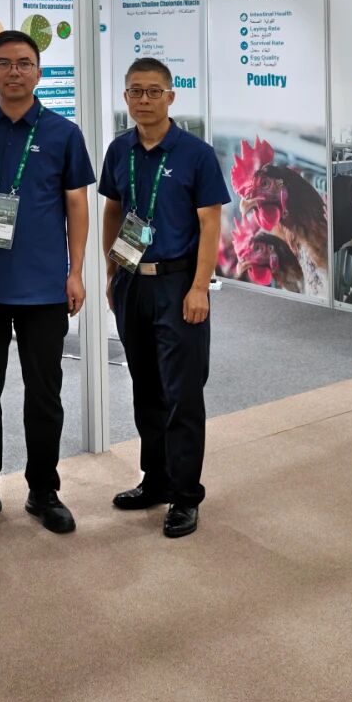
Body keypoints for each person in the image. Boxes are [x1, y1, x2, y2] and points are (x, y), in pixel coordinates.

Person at [0, 30, 96, 535]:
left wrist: (75, 271)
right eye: (5, 63)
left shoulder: (63, 133)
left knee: (44, 395)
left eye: (24, 63)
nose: (14, 71)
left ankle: (43, 490)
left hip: (43, 288)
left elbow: (76, 204)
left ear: (39, 71)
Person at [98, 57, 229, 539]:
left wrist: (199, 287)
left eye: (154, 91)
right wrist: (112, 270)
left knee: (182, 392)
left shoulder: (196, 153)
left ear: (171, 97)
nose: (145, 100)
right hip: (133, 281)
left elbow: (210, 224)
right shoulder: (120, 149)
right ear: (126, 97)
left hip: (178, 284)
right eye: (136, 91)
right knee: (146, 387)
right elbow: (114, 211)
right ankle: (155, 480)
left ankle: (185, 494)